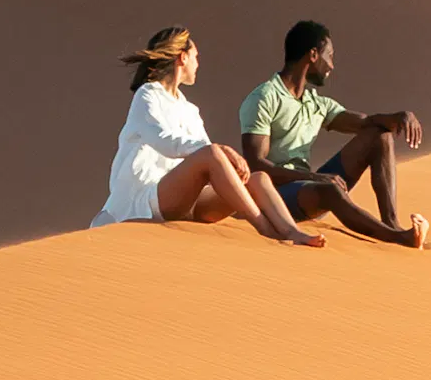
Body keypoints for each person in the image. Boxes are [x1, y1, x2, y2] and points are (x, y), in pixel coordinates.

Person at [92, 26, 325, 245]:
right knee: (212, 153)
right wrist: (222, 151)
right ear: (182, 58)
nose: (197, 64)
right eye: (195, 56)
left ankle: (292, 232)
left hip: (188, 200)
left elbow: (206, 154)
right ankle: (264, 228)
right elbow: (165, 141)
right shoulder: (148, 95)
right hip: (147, 199)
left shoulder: (189, 109)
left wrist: (228, 163)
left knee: (259, 179)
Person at [238, 20, 430, 248]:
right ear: (313, 55)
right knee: (329, 189)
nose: (332, 65)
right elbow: (256, 167)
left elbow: (366, 122)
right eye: (329, 56)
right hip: (276, 199)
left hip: (309, 189)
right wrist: (315, 178)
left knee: (380, 136)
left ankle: (392, 224)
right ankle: (399, 239)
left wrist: (400, 116)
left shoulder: (314, 102)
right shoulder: (265, 98)